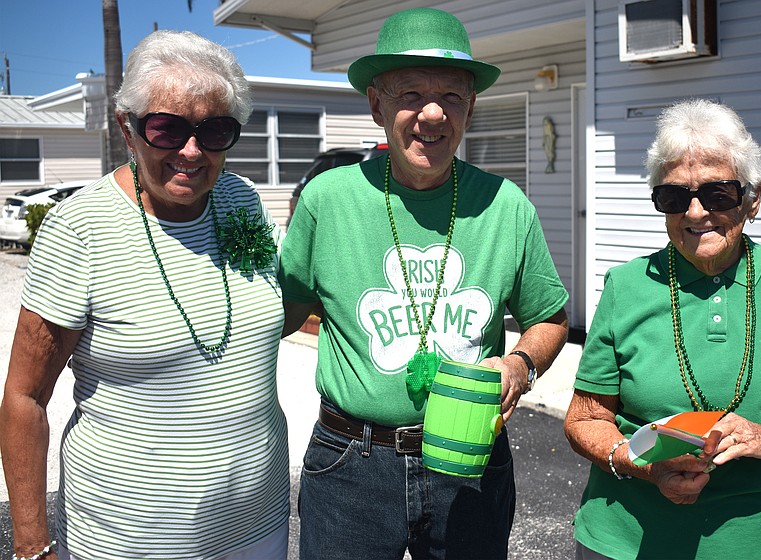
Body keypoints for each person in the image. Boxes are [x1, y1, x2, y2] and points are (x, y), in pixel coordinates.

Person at [280, 7, 569, 559]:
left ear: (471, 106)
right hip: (351, 464)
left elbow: (549, 317)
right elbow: (280, 312)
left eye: (452, 97)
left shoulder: (506, 206)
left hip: (471, 457)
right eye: (410, 94)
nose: (432, 114)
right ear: (375, 105)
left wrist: (519, 365)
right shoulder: (327, 200)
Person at [0, 31, 290, 559]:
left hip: (260, 526)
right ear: (127, 128)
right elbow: (24, 400)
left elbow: (282, 313)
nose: (192, 150)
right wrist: (31, 544)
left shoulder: (242, 200)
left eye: (216, 130)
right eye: (166, 128)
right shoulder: (79, 229)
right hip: (131, 541)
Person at [564, 98, 761, 559]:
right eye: (675, 198)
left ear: (752, 198)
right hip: (627, 541)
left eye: (717, 195)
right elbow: (585, 418)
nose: (696, 213)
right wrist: (640, 464)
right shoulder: (627, 285)